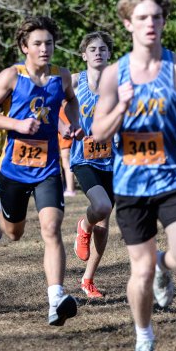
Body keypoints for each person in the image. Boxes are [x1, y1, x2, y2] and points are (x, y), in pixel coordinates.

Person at [91, 0, 176, 351]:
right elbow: (99, 133)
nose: (150, 23)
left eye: (156, 16)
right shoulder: (113, 75)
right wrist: (122, 105)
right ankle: (144, 336)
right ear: (128, 23)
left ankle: (163, 264)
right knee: (138, 271)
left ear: (163, 20)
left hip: (173, 178)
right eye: (142, 17)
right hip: (132, 185)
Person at [0, 15, 82, 327]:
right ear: (25, 47)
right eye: (37, 43)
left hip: (48, 167)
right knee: (14, 232)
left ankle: (55, 300)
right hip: (14, 168)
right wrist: (17, 124)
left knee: (51, 227)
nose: (44, 48)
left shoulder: (61, 76)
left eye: (49, 42)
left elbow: (71, 102)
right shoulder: (11, 76)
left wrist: (71, 123)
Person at [68, 31, 115, 299]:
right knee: (101, 207)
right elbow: (54, 103)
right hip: (83, 157)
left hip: (113, 160)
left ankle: (88, 279)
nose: (98, 52)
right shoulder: (74, 81)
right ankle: (83, 226)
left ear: (109, 54)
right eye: (92, 49)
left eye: (103, 49)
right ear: (84, 55)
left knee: (105, 223)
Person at [58, 106, 77, 197]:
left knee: (67, 163)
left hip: (65, 138)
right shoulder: (66, 108)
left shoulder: (63, 108)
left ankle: (70, 189)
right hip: (63, 138)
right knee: (65, 163)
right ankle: (68, 188)